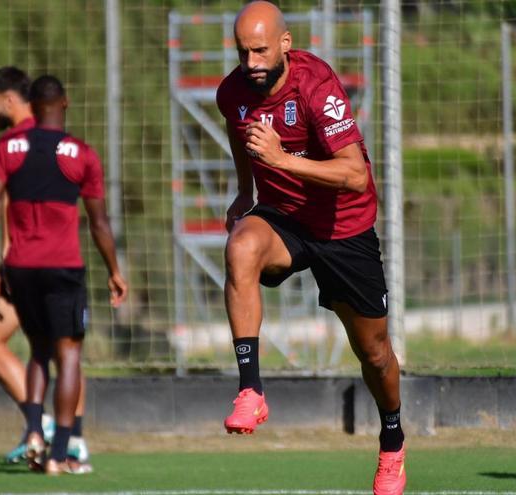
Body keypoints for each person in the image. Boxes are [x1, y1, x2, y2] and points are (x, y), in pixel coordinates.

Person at [215, 2, 406, 494]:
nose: (252, 61)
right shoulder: (233, 91)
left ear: (285, 43)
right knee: (240, 248)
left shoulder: (316, 85)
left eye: (260, 50)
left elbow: (354, 174)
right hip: (283, 218)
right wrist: (244, 189)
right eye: (243, 52)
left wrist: (281, 159)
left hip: (344, 227)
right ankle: (251, 390)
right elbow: (240, 134)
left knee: (375, 352)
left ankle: (392, 442)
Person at [0, 74, 128, 475]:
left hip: (20, 269)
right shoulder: (80, 153)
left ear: (30, 104)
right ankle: (62, 452)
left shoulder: (7, 147)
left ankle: (33, 431)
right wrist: (115, 270)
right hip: (63, 267)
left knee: (38, 352)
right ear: (64, 103)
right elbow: (99, 224)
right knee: (70, 355)